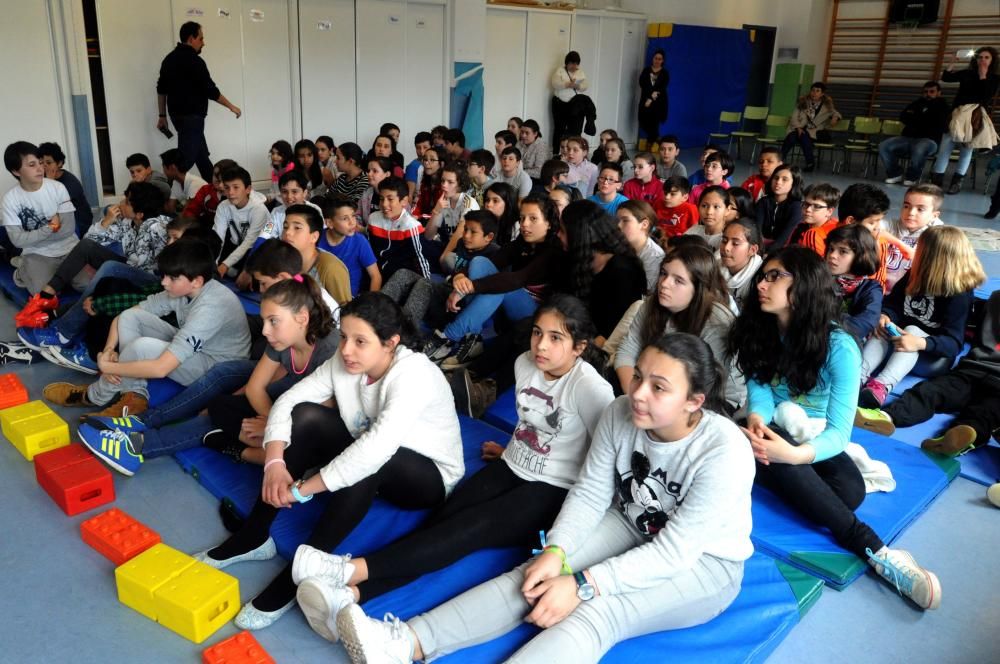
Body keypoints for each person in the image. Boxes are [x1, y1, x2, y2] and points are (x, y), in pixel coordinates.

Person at [334, 332, 754, 664]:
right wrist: (556, 551)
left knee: (596, 612)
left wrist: (585, 585)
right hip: (629, 521)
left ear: (694, 403)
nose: (639, 393)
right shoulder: (621, 411)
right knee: (535, 575)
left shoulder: (724, 452)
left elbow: (674, 553)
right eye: (640, 376)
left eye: (659, 388)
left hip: (704, 563)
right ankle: (406, 642)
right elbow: (590, 492)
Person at [193, 292, 465, 629]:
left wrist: (302, 490)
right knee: (307, 415)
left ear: (390, 343)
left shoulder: (414, 376)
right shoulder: (345, 359)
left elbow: (373, 451)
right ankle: (254, 534)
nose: (347, 349)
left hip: (425, 476)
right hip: (367, 451)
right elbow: (290, 402)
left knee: (369, 463)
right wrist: (274, 463)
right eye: (345, 337)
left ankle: (303, 570)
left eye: (360, 341)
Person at [731, 246, 941, 610]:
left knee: (850, 492)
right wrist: (758, 418)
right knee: (778, 459)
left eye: (774, 276)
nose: (762, 284)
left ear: (805, 285)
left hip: (809, 432)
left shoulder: (840, 347)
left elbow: (839, 432)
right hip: (770, 426)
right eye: (763, 276)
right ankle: (877, 551)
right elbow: (760, 387)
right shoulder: (758, 329)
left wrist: (795, 455)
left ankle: (769, 470)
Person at [78, 273, 338, 472]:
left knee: (216, 417)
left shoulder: (328, 349)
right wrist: (267, 417)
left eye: (273, 322)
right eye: (266, 321)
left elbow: (318, 418)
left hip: (309, 427)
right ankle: (143, 423)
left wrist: (274, 427)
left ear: (302, 317)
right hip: (285, 405)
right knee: (221, 405)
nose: (265, 331)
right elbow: (256, 387)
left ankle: (137, 447)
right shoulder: (281, 340)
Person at [43, 238, 251, 423]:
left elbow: (161, 368)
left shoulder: (211, 307)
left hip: (218, 367)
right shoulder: (184, 289)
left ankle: (94, 395)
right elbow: (123, 317)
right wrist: (108, 350)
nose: (163, 282)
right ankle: (134, 396)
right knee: (130, 317)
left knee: (142, 347)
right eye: (164, 276)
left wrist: (110, 367)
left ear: (196, 280)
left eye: (171, 278)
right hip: (201, 348)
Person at [424, 195, 565, 368]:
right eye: (522, 218)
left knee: (502, 285)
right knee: (479, 262)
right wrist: (460, 277)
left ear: (549, 223)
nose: (525, 224)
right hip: (508, 307)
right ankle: (472, 338)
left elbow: (517, 279)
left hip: (535, 316)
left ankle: (448, 336)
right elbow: (493, 260)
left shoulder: (554, 251)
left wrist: (470, 288)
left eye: (533, 218)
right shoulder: (523, 242)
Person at [856, 290, 1000, 458]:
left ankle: (956, 438)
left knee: (984, 412)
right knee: (929, 391)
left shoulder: (995, 298)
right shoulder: (995, 299)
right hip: (971, 370)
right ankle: (886, 417)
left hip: (983, 375)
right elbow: (963, 322)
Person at [16, 181, 170, 337]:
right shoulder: (127, 222)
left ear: (140, 214)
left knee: (108, 272)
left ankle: (63, 327)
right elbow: (89, 239)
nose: (121, 203)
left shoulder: (156, 227)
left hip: (151, 280)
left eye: (127, 202)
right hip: (132, 268)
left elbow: (177, 243)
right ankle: (47, 295)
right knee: (87, 246)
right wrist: (106, 221)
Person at [858, 225, 985, 408]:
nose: (915, 252)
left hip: (931, 355)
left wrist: (919, 343)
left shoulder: (959, 294)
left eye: (921, 249)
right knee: (885, 327)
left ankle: (882, 385)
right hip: (897, 342)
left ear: (934, 257)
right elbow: (893, 304)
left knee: (913, 330)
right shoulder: (914, 274)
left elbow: (953, 344)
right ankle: (857, 376)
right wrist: (886, 315)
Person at [614, 244, 744, 410]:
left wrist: (647, 402)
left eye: (678, 280)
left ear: (698, 289)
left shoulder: (717, 323)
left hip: (711, 399)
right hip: (659, 385)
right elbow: (628, 350)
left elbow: (708, 385)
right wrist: (635, 396)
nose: (665, 283)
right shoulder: (652, 304)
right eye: (663, 273)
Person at [382, 210, 500, 333]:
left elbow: (490, 292)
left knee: (425, 285)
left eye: (473, 232)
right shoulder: (462, 243)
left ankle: (406, 333)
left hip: (458, 307)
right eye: (465, 229)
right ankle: (374, 315)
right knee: (403, 274)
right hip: (447, 290)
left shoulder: (495, 254)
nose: (466, 235)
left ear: (489, 237)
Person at [156, 22, 241, 180]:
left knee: (201, 157)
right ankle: (166, 197)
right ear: (191, 39)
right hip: (192, 118)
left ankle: (214, 192)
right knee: (184, 163)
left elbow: (161, 90)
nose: (203, 42)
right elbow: (210, 91)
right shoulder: (195, 62)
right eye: (201, 38)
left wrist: (162, 116)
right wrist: (231, 106)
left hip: (177, 117)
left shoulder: (168, 60)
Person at [2, 141, 83, 298]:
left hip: (69, 248)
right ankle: (22, 269)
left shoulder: (57, 188)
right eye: (32, 165)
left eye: (40, 163)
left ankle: (27, 265)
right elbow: (18, 241)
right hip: (37, 254)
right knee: (45, 294)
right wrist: (51, 227)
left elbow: (68, 229)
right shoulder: (10, 200)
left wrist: (31, 238)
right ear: (16, 171)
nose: (40, 168)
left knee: (86, 285)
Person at [564, 201, 646, 343]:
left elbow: (614, 331)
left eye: (563, 231)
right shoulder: (577, 259)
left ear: (579, 236)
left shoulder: (623, 271)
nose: (558, 235)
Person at [930, 47, 1000, 194]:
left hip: (975, 116)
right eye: (980, 57)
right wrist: (952, 62)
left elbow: (986, 95)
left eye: (986, 57)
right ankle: (936, 181)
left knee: (967, 149)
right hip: (957, 113)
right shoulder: (967, 73)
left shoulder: (994, 78)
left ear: (992, 60)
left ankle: (957, 181)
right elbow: (946, 78)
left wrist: (983, 76)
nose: (982, 60)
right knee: (945, 147)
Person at [879, 81, 951, 187]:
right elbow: (903, 116)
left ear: (939, 93)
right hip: (907, 138)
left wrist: (917, 119)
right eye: (925, 92)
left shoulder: (944, 107)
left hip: (929, 141)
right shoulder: (916, 103)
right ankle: (895, 173)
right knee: (884, 146)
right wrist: (924, 120)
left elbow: (941, 125)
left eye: (932, 91)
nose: (928, 94)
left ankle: (912, 177)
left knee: (919, 148)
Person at [213, 166, 271, 285]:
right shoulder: (223, 206)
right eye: (227, 188)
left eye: (236, 187)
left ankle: (238, 272)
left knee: (248, 280)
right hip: (236, 247)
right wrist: (213, 264)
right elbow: (217, 237)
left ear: (248, 189)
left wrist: (224, 265)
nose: (230, 192)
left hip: (257, 251)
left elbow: (249, 243)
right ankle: (233, 271)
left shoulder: (259, 210)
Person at [824, 224, 882, 341]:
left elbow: (865, 322)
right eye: (831, 249)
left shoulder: (871, 288)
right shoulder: (820, 279)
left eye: (843, 251)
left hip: (846, 343)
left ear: (860, 256)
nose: (832, 255)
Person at [368, 176, 432, 281]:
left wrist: (426, 285)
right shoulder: (373, 219)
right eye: (381, 199)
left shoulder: (411, 226)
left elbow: (421, 259)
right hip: (375, 271)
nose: (384, 204)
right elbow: (369, 252)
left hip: (399, 276)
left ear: (404, 201)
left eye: (390, 199)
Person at [883, 183, 944, 290]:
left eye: (920, 209)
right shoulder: (892, 226)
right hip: (881, 289)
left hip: (912, 294)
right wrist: (902, 246)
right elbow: (870, 227)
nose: (911, 212)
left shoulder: (938, 235)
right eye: (906, 206)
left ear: (934, 216)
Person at [316, 196, 381, 296]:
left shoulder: (359, 241)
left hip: (348, 299)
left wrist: (370, 304)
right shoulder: (317, 240)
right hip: (321, 294)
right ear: (329, 223)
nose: (352, 222)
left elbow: (375, 276)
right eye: (345, 218)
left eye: (353, 216)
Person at [781, 82, 841, 173]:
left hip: (813, 132)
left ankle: (779, 160)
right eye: (813, 90)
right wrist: (798, 128)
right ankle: (810, 163)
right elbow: (794, 117)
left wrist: (835, 117)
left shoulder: (826, 105)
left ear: (822, 94)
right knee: (793, 137)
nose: (814, 93)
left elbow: (836, 113)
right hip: (798, 129)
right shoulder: (802, 103)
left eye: (817, 91)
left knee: (799, 137)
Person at [38, 142, 93, 236]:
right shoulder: (43, 178)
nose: (44, 166)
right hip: (60, 218)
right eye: (41, 162)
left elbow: (53, 207)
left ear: (59, 163)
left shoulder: (69, 182)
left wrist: (50, 182)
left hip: (80, 222)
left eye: (48, 163)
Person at [551, 51, 597, 149]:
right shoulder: (560, 70)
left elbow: (585, 86)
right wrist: (567, 84)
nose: (574, 66)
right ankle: (556, 152)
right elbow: (555, 83)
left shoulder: (580, 72)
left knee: (576, 130)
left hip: (576, 105)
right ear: (567, 63)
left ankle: (576, 150)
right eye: (572, 63)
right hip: (560, 105)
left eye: (576, 64)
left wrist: (577, 85)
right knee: (559, 129)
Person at [616, 199, 665, 292]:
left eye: (625, 220)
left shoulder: (654, 256)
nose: (618, 225)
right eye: (617, 220)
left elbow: (646, 293)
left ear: (644, 224)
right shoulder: (619, 245)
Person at [719, 218, 763, 312]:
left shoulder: (760, 280)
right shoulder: (715, 266)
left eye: (735, 243)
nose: (726, 248)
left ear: (752, 250)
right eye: (724, 240)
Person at [756, 164, 803, 248]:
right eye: (776, 178)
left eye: (784, 179)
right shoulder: (763, 202)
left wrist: (769, 254)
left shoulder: (796, 207)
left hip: (785, 249)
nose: (778, 182)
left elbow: (785, 237)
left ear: (794, 183)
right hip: (760, 247)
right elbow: (757, 230)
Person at [795, 183, 841, 257]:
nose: (808, 209)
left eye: (816, 206)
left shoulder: (813, 234)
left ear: (829, 211)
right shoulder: (836, 223)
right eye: (806, 204)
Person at [638, 49, 670, 145]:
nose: (657, 60)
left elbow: (662, 87)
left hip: (658, 102)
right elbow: (642, 83)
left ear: (663, 61)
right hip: (645, 99)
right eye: (656, 58)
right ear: (653, 59)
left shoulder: (665, 73)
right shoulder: (646, 70)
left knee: (654, 123)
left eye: (660, 59)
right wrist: (648, 97)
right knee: (643, 121)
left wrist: (651, 99)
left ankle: (650, 145)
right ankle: (657, 139)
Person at [685, 185, 730, 251]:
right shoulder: (694, 231)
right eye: (704, 206)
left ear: (727, 210)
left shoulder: (727, 239)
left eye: (716, 207)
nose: (709, 212)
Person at [483, 181, 521, 247]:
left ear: (508, 204)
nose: (489, 204)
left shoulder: (517, 225)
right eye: (487, 200)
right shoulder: (482, 221)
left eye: (495, 201)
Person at [405, 131, 432, 200]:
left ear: (432, 147)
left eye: (425, 147)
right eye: (418, 148)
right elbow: (409, 195)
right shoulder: (413, 166)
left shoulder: (437, 164)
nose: (422, 151)